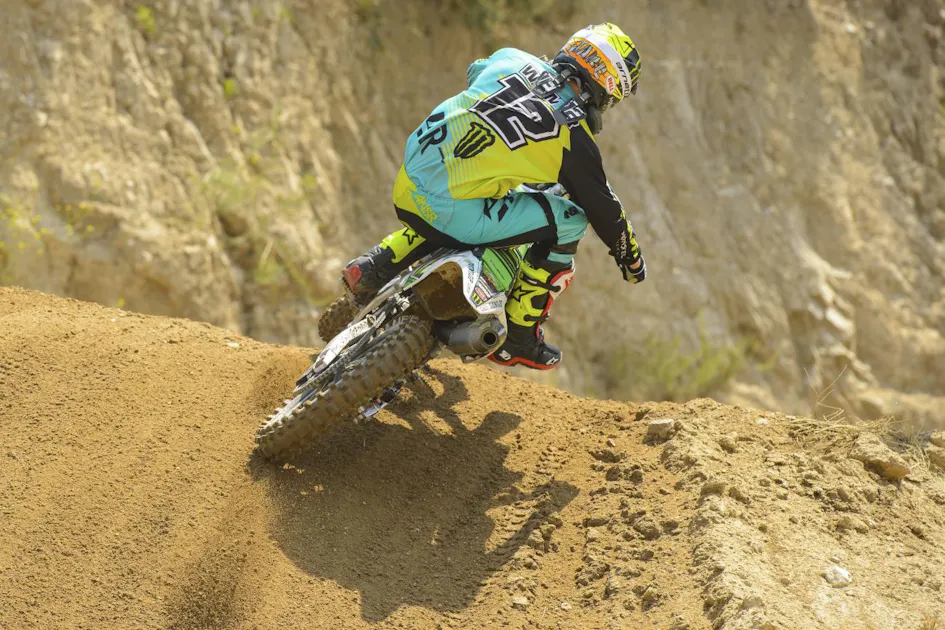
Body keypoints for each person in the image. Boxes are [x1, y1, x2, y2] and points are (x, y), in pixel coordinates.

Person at [338, 23, 646, 370]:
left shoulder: (511, 57)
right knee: (570, 221)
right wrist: (630, 259)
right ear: (606, 84)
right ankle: (519, 336)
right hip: (452, 213)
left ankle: (375, 266)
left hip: (410, 178)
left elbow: (476, 70)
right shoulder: (575, 138)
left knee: (477, 186)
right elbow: (603, 208)